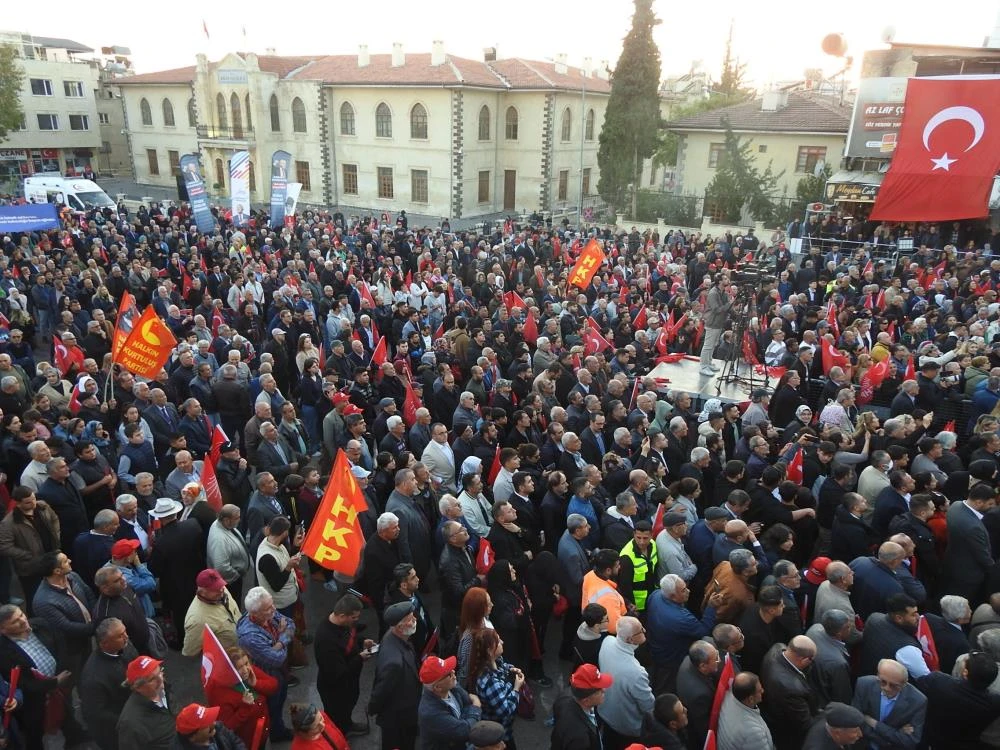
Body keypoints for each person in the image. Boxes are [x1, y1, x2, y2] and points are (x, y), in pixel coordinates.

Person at [0, 603, 87, 750]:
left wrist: (61, 676)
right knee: (37, 729)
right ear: (3, 630)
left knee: (67, 711)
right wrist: (53, 683)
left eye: (21, 615)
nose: (22, 620)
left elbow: (61, 645)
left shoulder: (41, 625)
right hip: (34, 700)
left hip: (61, 685)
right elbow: (22, 683)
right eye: (15, 621)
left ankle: (74, 737)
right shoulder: (3, 652)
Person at [237, 587, 296, 742]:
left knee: (280, 700)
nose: (274, 609)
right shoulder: (249, 636)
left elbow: (291, 624)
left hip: (279, 671)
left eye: (272, 605)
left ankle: (277, 729)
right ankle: (275, 733)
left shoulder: (265, 611)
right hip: (268, 674)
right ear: (255, 614)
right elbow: (277, 659)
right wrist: (282, 639)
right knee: (273, 706)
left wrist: (278, 644)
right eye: (269, 608)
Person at [314, 593, 373, 737]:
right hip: (335, 689)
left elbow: (350, 636)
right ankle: (339, 737)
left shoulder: (342, 624)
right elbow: (338, 673)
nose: (356, 621)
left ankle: (347, 724)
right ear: (341, 616)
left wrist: (361, 641)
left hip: (348, 683)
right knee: (337, 716)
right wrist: (360, 658)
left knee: (347, 709)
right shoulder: (326, 641)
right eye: (354, 618)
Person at [148, 496, 205, 643]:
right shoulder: (193, 525)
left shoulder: (161, 542)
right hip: (198, 577)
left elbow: (154, 569)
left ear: (160, 518)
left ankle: (183, 640)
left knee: (181, 615)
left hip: (175, 586)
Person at [369, 600, 422, 750]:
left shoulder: (393, 636)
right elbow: (382, 690)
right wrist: (373, 708)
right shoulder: (394, 663)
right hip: (398, 718)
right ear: (400, 627)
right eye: (411, 619)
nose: (415, 620)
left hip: (405, 712)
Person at [597, 616, 655, 750]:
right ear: (630, 639)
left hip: (606, 713)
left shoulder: (607, 641)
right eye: (640, 630)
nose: (645, 630)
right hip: (628, 726)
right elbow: (648, 706)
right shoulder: (636, 672)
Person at [80, 617, 138, 750]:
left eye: (125, 632)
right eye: (120, 636)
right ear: (104, 644)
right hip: (116, 731)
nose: (126, 637)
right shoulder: (94, 678)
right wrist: (129, 720)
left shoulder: (124, 645)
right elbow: (96, 713)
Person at [0, 486, 61, 609]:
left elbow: (54, 519)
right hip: (31, 567)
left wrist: (56, 535)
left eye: (33, 499)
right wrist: (27, 555)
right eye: (28, 502)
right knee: (34, 596)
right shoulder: (8, 523)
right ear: (18, 504)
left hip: (51, 556)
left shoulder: (43, 506)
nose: (33, 503)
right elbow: (5, 546)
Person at [851, 658, 926, 750]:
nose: (887, 688)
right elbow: (855, 721)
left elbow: (910, 741)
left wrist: (874, 724)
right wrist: (895, 733)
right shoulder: (864, 684)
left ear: (904, 684)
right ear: (878, 676)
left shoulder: (918, 701)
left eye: (894, 685)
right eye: (883, 682)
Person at [759, 635, 819, 750]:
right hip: (788, 733)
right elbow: (804, 723)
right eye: (812, 660)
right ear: (804, 660)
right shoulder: (791, 689)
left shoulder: (777, 648)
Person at [466, 629, 523, 749]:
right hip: (498, 733)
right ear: (490, 650)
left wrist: (511, 669)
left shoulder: (494, 661)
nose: (502, 642)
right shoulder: (490, 682)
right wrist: (516, 688)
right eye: (498, 641)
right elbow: (506, 711)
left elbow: (503, 667)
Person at [417, 654, 483, 750]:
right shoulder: (430, 712)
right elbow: (465, 731)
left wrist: (466, 721)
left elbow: (467, 702)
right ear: (438, 687)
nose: (453, 672)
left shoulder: (452, 687)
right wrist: (476, 707)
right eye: (449, 674)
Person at [117, 655, 176, 750]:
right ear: (138, 687)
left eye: (160, 672)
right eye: (152, 679)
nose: (160, 680)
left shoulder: (163, 688)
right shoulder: (131, 724)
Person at [182, 568, 242, 657]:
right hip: (228, 661)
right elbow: (190, 651)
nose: (221, 590)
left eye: (220, 585)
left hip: (242, 649)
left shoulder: (221, 590)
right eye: (215, 589)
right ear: (202, 592)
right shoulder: (197, 620)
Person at [550, 663, 612, 750]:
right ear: (586, 700)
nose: (604, 690)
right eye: (599, 690)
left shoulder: (566, 695)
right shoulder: (580, 739)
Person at [675, 640, 719, 750]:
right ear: (703, 666)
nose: (720, 660)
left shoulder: (689, 660)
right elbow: (703, 728)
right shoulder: (700, 694)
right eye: (716, 659)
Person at [716, 671, 775, 750]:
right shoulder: (753, 733)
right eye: (759, 691)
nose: (763, 691)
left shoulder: (728, 696)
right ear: (750, 699)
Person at [207, 504, 253, 604]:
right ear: (227, 520)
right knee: (233, 604)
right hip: (230, 583)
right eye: (237, 518)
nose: (239, 520)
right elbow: (221, 567)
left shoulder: (222, 524)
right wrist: (236, 575)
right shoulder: (219, 539)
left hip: (233, 578)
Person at [699, 275, 734, 376]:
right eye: (725, 279)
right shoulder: (713, 293)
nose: (728, 280)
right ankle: (703, 366)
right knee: (708, 345)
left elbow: (728, 307)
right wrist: (729, 304)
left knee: (713, 344)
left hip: (719, 323)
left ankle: (708, 363)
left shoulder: (724, 293)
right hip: (712, 322)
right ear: (719, 281)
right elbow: (716, 309)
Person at [173, 702, 246, 750]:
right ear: (193, 737)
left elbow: (236, 742)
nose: (213, 723)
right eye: (206, 724)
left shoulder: (218, 727)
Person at [800, 702, 865, 750]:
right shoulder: (817, 747)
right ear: (837, 733)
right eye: (855, 731)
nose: (860, 734)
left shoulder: (832, 720)